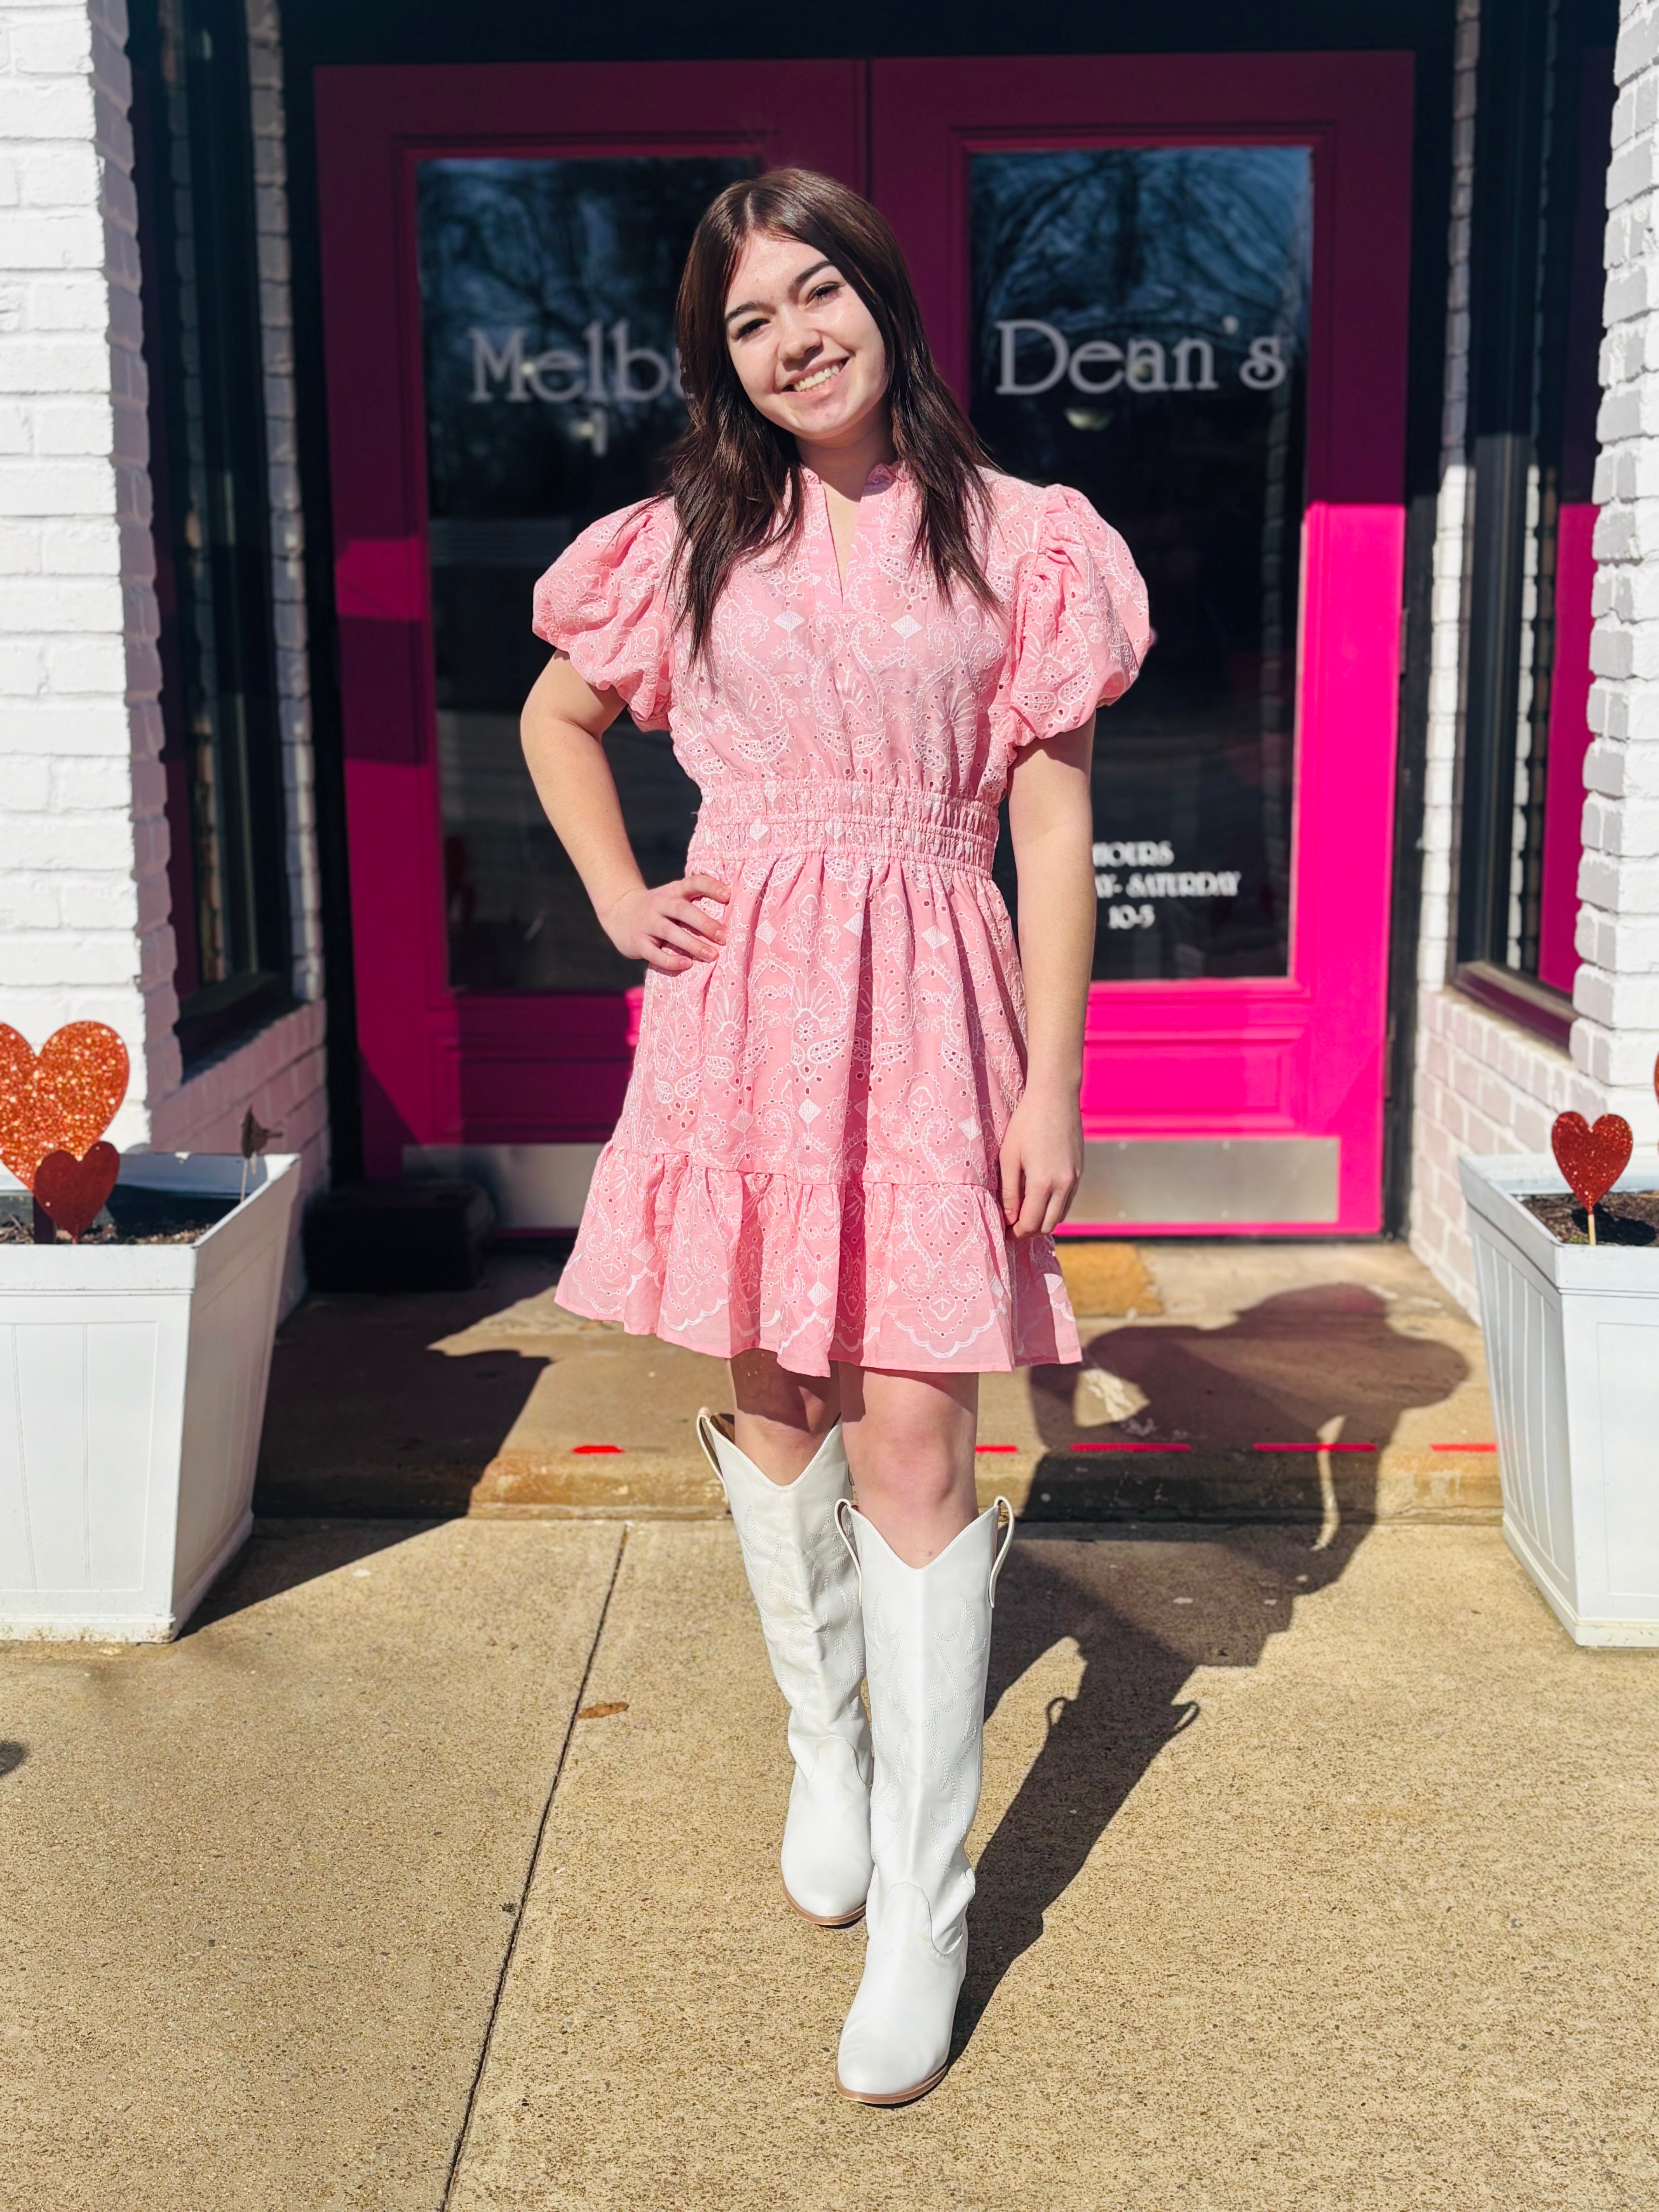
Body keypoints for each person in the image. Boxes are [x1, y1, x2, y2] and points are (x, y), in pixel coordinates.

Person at [521, 169, 1148, 2105]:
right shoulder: (686, 539)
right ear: (722, 360)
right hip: (744, 1018)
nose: (795, 340)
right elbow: (557, 718)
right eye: (748, 321)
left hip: (938, 1011)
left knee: (921, 1431)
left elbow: (1051, 829)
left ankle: (922, 1911)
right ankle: (829, 1746)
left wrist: (1052, 1082)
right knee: (780, 1400)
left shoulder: (1027, 541)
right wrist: (626, 900)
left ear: (883, 296)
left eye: (819, 294)